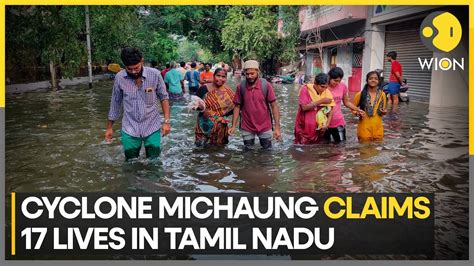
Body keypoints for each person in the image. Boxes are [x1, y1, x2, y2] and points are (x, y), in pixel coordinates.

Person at [105, 47, 170, 161]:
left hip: (152, 126)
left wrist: (166, 122)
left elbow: (164, 98)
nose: (134, 72)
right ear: (125, 66)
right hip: (130, 127)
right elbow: (115, 103)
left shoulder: (155, 74)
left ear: (142, 61)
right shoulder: (120, 78)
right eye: (130, 69)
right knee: (130, 162)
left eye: (136, 68)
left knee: (154, 161)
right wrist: (109, 128)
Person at [228, 60, 281, 150]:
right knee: (248, 153)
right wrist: (233, 126)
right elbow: (237, 107)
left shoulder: (266, 86)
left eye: (252, 73)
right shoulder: (241, 87)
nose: (249, 76)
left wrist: (277, 128)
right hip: (247, 126)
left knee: (267, 152)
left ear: (258, 72)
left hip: (265, 125)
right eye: (247, 74)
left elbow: (274, 106)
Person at [194, 68, 235, 147]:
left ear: (226, 78)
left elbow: (233, 109)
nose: (220, 78)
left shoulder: (228, 91)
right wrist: (200, 107)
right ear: (213, 76)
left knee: (218, 151)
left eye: (223, 77)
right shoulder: (204, 89)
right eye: (218, 75)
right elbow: (194, 105)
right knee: (200, 149)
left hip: (219, 128)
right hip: (204, 125)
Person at [325, 67, 364, 143]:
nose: (337, 83)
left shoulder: (342, 86)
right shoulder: (323, 87)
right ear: (329, 77)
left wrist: (358, 110)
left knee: (341, 145)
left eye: (339, 81)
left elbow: (346, 102)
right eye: (335, 80)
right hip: (323, 122)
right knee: (324, 146)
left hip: (338, 121)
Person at [294, 73, 335, 145]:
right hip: (304, 127)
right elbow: (304, 107)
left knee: (316, 148)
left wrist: (327, 125)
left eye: (326, 87)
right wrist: (321, 101)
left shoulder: (326, 92)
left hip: (318, 128)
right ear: (315, 84)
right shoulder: (305, 90)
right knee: (301, 147)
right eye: (322, 87)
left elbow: (331, 109)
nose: (324, 89)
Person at [353, 71, 387, 141]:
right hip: (364, 128)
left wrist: (384, 112)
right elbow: (353, 108)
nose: (373, 80)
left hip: (378, 128)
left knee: (377, 149)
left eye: (375, 79)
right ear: (367, 80)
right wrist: (357, 113)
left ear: (379, 81)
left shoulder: (382, 95)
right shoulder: (360, 94)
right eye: (371, 78)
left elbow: (383, 110)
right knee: (364, 150)